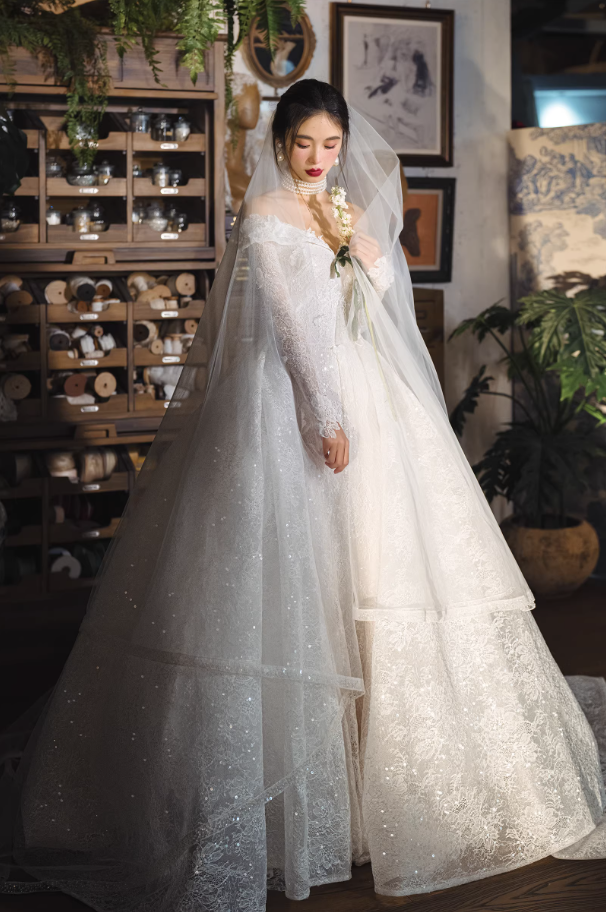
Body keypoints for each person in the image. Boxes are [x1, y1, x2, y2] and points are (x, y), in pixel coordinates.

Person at [1, 79, 605, 911]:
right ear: (280, 143)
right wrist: (323, 416)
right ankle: (295, 807)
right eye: (304, 144)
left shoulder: (342, 208)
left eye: (331, 144)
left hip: (370, 394)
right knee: (289, 588)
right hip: (288, 401)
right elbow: (289, 330)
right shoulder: (265, 214)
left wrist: (366, 252)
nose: (319, 158)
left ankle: (386, 792)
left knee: (381, 579)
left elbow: (376, 309)